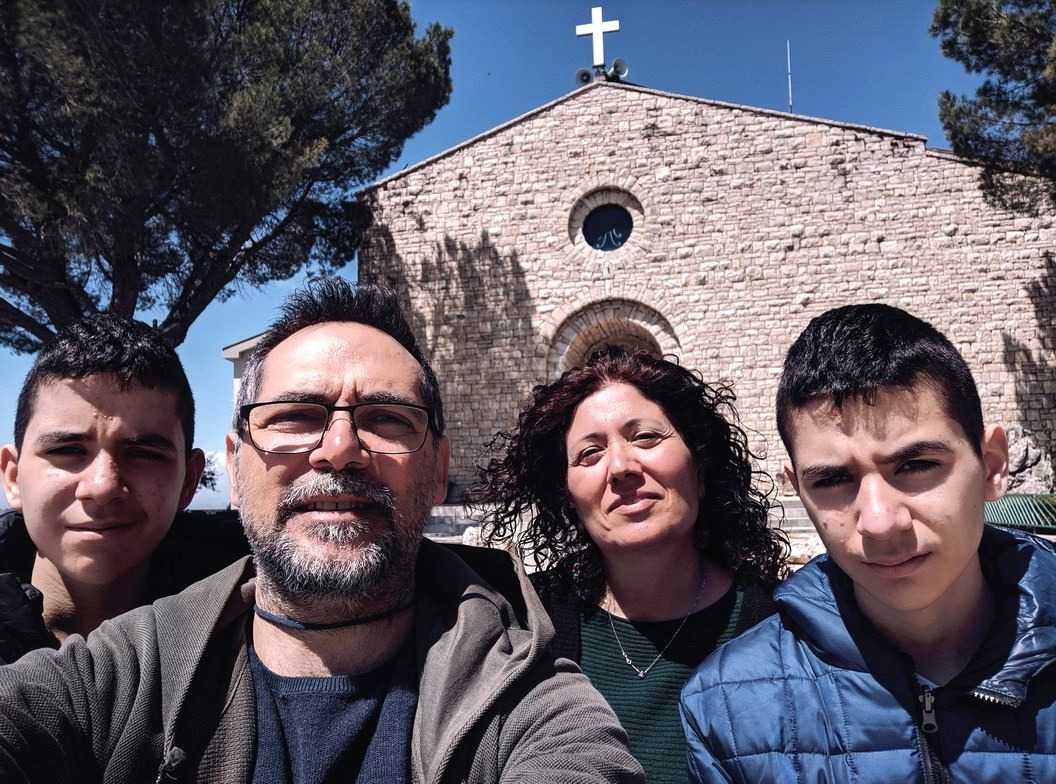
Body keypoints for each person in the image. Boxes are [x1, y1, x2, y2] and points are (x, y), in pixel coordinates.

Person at [0, 278, 643, 783]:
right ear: (234, 460)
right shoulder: (123, 673)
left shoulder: (526, 698)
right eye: (297, 416)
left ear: (440, 465)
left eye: (387, 419)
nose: (339, 448)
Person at [681, 303, 1056, 783]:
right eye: (833, 480)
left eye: (917, 465)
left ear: (991, 465)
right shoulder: (726, 709)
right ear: (799, 491)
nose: (879, 522)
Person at [467, 346, 788, 784]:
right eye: (589, 454)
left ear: (700, 467)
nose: (620, 467)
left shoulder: (784, 629)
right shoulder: (518, 624)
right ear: (567, 499)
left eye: (645, 438)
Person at [0, 314, 225, 663]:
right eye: (67, 451)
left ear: (189, 480)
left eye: (142, 454)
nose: (103, 486)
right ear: (12, 477)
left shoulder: (249, 639)